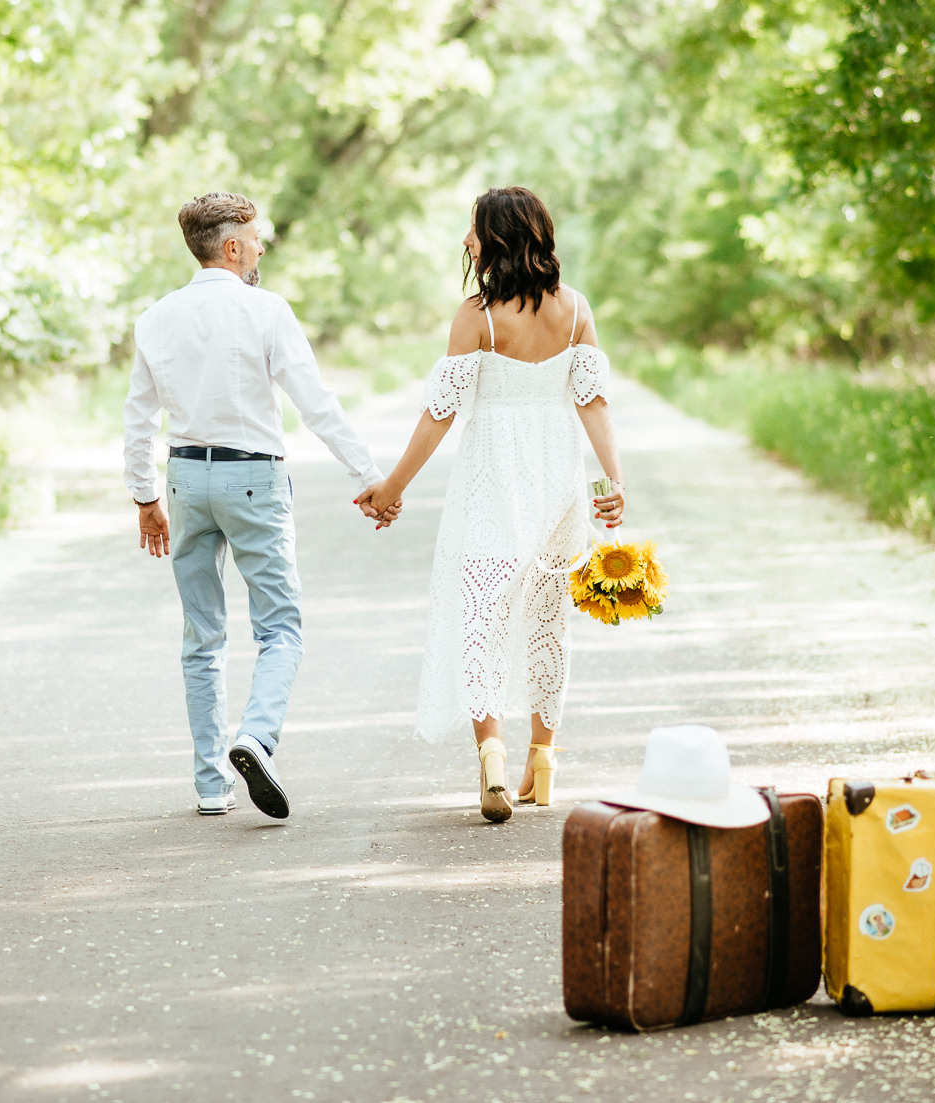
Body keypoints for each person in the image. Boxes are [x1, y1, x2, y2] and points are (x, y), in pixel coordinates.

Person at [357, 187, 624, 823]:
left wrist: (393, 486)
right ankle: (545, 761)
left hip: (493, 478)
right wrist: (613, 482)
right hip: (559, 472)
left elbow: (439, 412)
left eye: (474, 231)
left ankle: (494, 758)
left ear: (497, 238)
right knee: (547, 619)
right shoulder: (575, 309)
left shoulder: (477, 315)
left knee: (481, 612)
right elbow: (593, 402)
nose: (467, 242)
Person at [125, 192, 389, 820]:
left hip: (186, 481)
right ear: (234, 247)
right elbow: (315, 403)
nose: (263, 247)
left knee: (202, 636)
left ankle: (211, 785)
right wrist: (371, 478)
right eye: (257, 237)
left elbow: (139, 420)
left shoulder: (156, 318)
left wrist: (145, 498)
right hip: (254, 481)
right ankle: (257, 736)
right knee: (280, 629)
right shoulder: (266, 310)